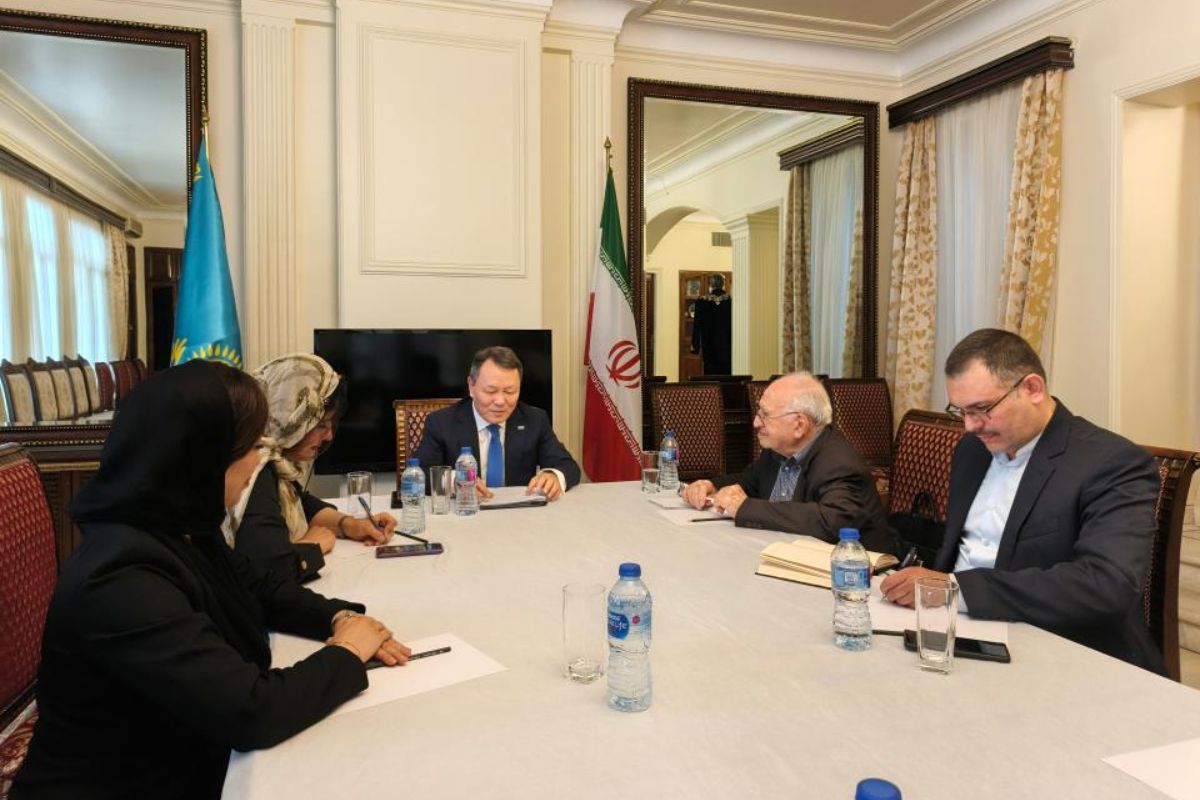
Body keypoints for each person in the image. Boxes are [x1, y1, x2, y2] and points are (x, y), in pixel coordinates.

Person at [12, 360, 411, 799]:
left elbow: (259, 587)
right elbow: (251, 712)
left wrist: (338, 618)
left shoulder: (179, 525)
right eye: (249, 447)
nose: (258, 461)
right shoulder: (118, 579)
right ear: (200, 457)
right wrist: (346, 653)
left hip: (183, 759)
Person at [879, 328, 1164, 673]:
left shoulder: (1112, 463)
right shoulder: (972, 450)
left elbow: (1107, 584)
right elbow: (957, 551)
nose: (970, 426)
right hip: (954, 630)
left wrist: (956, 589)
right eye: (961, 411)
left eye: (982, 409)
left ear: (1032, 388)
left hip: (1061, 652)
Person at [228, 354, 395, 583]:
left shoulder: (277, 464)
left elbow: (303, 503)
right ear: (290, 417)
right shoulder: (256, 472)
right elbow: (268, 570)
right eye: (320, 425)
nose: (329, 436)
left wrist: (351, 525)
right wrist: (312, 546)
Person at [681, 372, 890, 551]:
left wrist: (746, 508)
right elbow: (748, 481)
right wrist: (711, 485)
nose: (755, 423)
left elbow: (833, 521)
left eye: (765, 415)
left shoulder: (838, 463)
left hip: (852, 574)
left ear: (799, 425)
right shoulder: (779, 451)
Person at [413, 345, 580, 501]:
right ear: (471, 386)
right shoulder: (442, 422)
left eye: (510, 391)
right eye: (490, 391)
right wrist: (455, 482)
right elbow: (419, 474)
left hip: (518, 512)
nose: (500, 401)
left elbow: (567, 465)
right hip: (466, 511)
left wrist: (554, 476)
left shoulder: (534, 419)